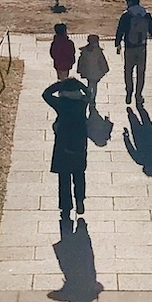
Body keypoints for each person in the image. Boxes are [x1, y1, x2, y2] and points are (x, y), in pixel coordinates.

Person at [43, 72, 91, 218]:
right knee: (79, 174)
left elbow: (46, 94)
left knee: (64, 177)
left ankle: (66, 205)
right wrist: (79, 84)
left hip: (63, 143)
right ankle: (80, 201)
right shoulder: (82, 103)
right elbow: (89, 92)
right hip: (79, 143)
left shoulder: (61, 104)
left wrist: (61, 83)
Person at [114, 0, 152, 106]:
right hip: (142, 47)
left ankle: (129, 90)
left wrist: (118, 44)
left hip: (129, 47)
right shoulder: (146, 14)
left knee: (128, 71)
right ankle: (138, 95)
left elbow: (120, 31)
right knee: (141, 72)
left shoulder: (126, 15)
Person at [76, 32, 109, 104]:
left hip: (87, 71)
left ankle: (89, 96)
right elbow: (102, 62)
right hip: (97, 71)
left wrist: (79, 70)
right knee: (94, 85)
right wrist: (105, 69)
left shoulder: (84, 51)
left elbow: (81, 62)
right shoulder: (98, 51)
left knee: (89, 84)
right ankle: (92, 97)